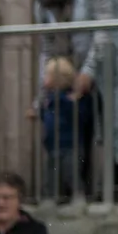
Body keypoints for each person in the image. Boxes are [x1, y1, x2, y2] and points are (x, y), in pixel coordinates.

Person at [23, 0, 118, 184]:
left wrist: (89, 70)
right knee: (79, 126)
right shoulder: (42, 3)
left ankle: (113, 189)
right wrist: (42, 94)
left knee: (115, 125)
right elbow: (48, 47)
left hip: (115, 63)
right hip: (76, 67)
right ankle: (80, 190)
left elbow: (105, 30)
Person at [37, 56, 97, 202]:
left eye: (47, 75)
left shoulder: (74, 96)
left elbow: (80, 116)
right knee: (51, 174)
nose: (44, 78)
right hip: (52, 144)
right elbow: (45, 116)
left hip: (72, 145)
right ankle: (49, 199)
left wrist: (61, 99)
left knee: (71, 173)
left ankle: (78, 198)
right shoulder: (49, 98)